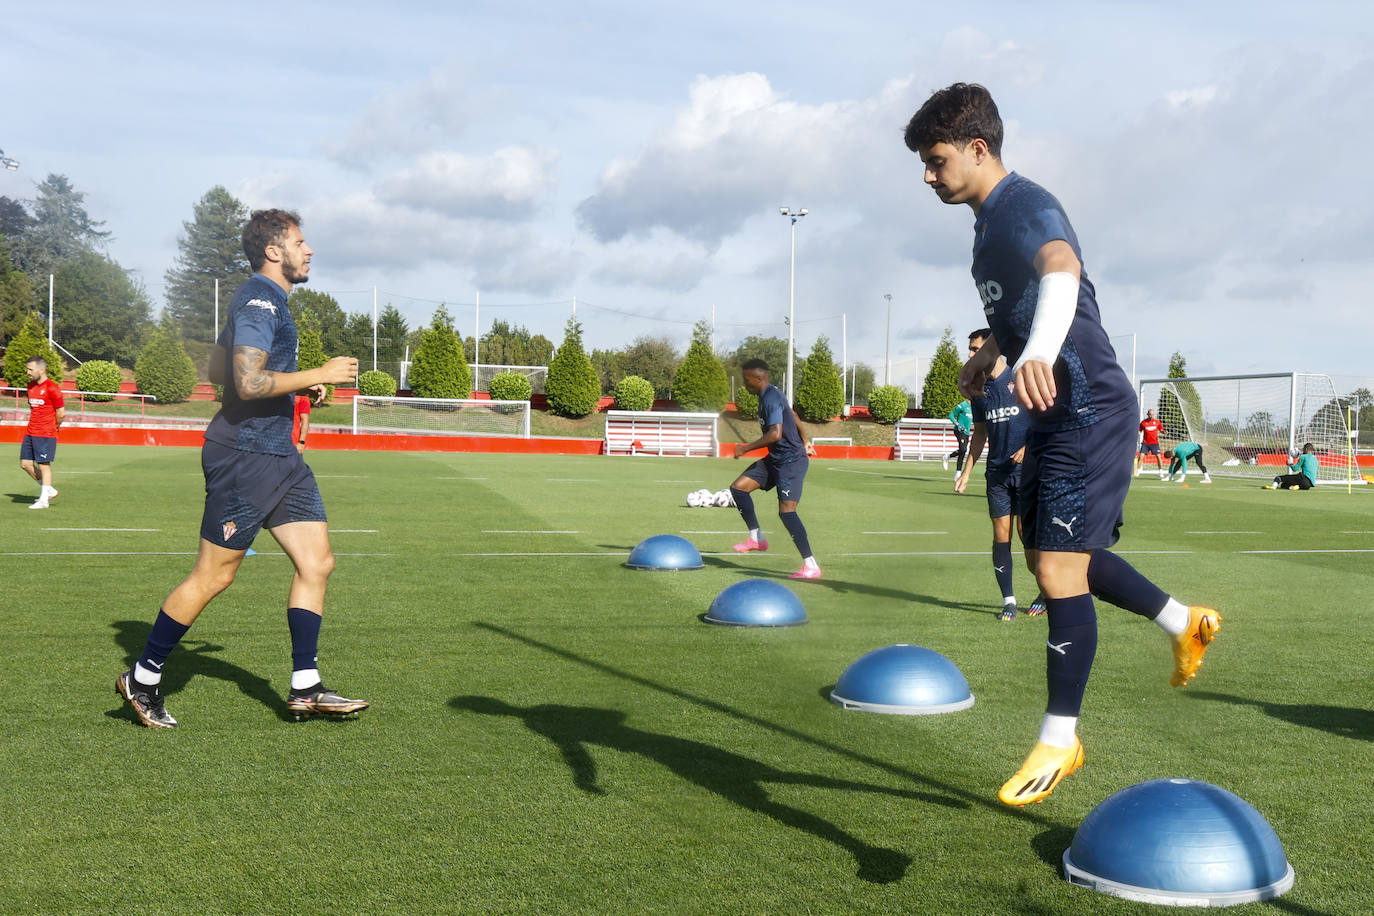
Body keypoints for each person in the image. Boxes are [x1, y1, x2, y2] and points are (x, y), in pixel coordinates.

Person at [905, 82, 1221, 806]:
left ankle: (1059, 740)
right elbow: (1022, 302)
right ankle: (1185, 622)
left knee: (1054, 569)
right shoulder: (984, 225)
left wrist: (1038, 352)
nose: (928, 175)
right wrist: (998, 354)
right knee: (1059, 552)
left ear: (978, 150)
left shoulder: (1025, 205)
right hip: (1056, 410)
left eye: (936, 160)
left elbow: (1061, 268)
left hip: (1089, 407)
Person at [116, 209, 365, 728]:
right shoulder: (258, 300)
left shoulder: (264, 302)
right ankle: (142, 679)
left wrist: (299, 382)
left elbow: (218, 369)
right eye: (300, 241)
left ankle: (306, 687)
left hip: (280, 456)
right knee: (215, 575)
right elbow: (246, 385)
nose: (309, 249)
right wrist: (318, 372)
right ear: (274, 251)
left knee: (316, 563)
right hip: (245, 455)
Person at [954, 328, 1038, 621]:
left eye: (976, 349)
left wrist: (1029, 447)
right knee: (1001, 537)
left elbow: (1046, 421)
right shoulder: (979, 391)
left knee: (1027, 538)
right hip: (998, 475)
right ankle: (1009, 601)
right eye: (970, 349)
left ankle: (1046, 590)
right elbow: (979, 433)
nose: (971, 355)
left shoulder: (1021, 378)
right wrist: (966, 472)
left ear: (994, 349)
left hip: (1027, 473)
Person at [728, 358, 820, 580]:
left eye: (747, 380)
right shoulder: (772, 394)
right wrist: (806, 439)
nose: (745, 384)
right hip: (776, 458)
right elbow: (794, 415)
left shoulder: (770, 398)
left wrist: (745, 448)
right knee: (738, 488)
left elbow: (775, 434)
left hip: (791, 462)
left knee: (787, 513)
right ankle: (756, 538)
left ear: (759, 378)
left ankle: (811, 566)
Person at [21, 355, 65, 509]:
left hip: (46, 433)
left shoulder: (52, 387)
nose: (28, 372)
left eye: (30, 369)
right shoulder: (30, 387)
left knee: (43, 465)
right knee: (25, 464)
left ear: (42, 369)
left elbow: (61, 413)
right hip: (30, 431)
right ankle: (49, 490)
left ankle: (44, 500)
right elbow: (34, 408)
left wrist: (54, 426)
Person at [944, 398, 973, 475]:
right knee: (963, 449)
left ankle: (958, 473)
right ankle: (948, 457)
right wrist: (957, 424)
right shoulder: (962, 405)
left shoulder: (974, 407)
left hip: (967, 432)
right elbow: (951, 415)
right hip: (959, 430)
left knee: (963, 451)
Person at [1136, 408, 1164, 477]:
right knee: (1141, 457)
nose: (1151, 416)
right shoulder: (1143, 422)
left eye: (1152, 414)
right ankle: (1138, 471)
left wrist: (1164, 432)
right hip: (1146, 443)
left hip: (1155, 443)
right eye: (1150, 414)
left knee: (1158, 457)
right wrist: (1137, 433)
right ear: (1147, 414)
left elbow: (1161, 430)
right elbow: (1139, 430)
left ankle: (1161, 471)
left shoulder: (1157, 422)